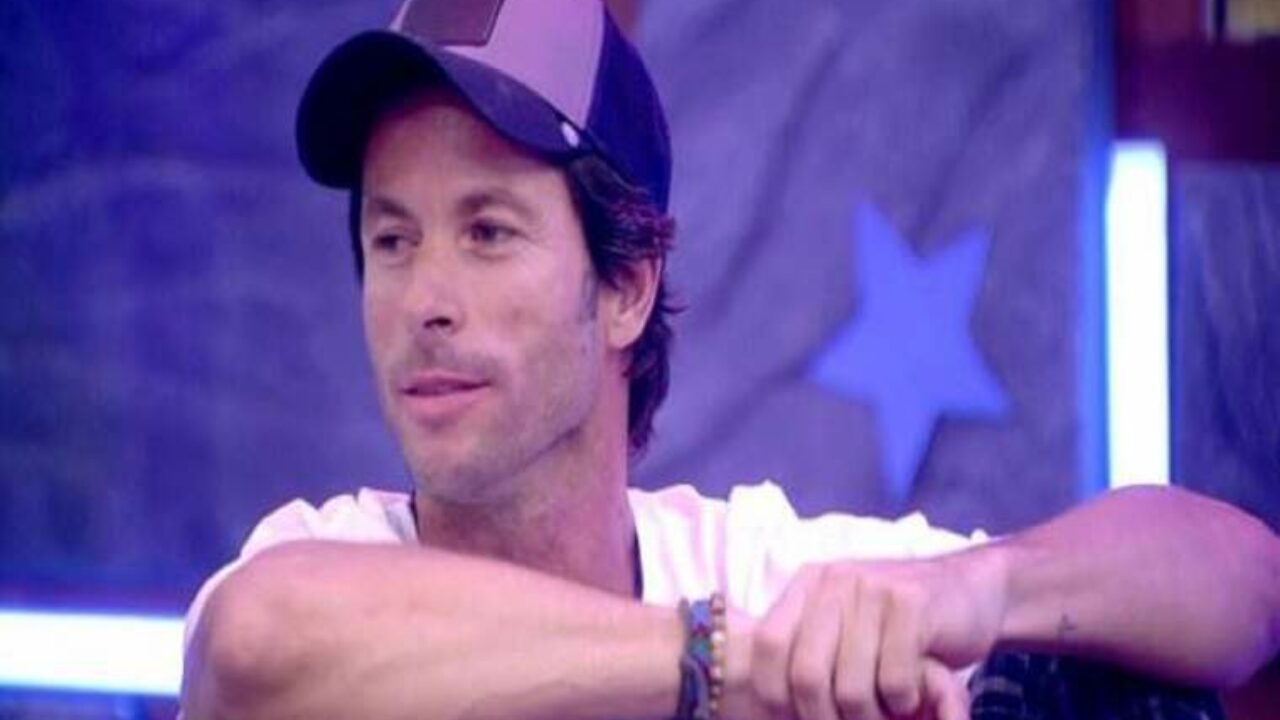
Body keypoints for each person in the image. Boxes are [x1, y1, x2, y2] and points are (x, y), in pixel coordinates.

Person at [179, 1, 1280, 719]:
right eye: (392, 240)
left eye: (487, 232)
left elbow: (1243, 581)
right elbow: (253, 645)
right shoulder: (323, 563)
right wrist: (717, 664)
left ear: (624, 287)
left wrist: (969, 592)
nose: (423, 300)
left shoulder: (758, 570)